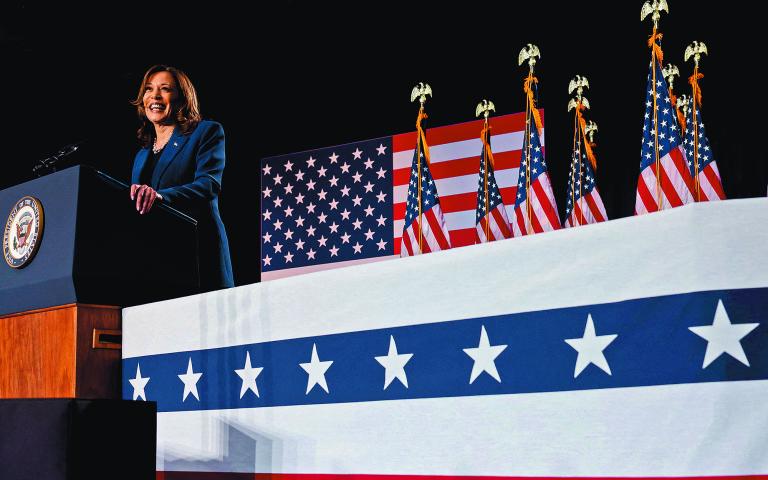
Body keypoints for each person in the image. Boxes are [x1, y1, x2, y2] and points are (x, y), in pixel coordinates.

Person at [129, 64, 234, 291]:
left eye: (165, 89)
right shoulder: (141, 155)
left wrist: (160, 196)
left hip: (197, 254)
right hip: (155, 263)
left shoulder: (206, 132)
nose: (154, 96)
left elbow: (209, 185)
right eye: (148, 89)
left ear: (182, 98)